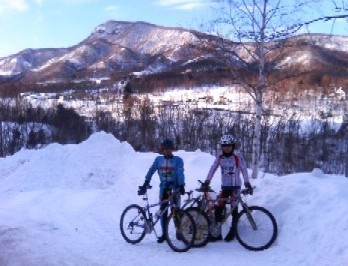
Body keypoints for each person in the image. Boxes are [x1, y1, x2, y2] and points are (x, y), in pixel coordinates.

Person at [201, 134, 253, 242]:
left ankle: (233, 231)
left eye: (229, 145)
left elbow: (243, 169)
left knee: (234, 210)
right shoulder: (220, 157)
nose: (227, 148)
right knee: (219, 208)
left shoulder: (237, 156)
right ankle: (217, 233)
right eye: (224, 146)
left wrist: (247, 182)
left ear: (232, 146)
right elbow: (212, 169)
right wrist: (207, 181)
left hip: (235, 188)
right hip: (225, 187)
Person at [138, 138, 186, 243]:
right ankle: (164, 234)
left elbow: (180, 173)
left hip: (175, 189)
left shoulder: (178, 160)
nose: (167, 151)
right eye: (165, 149)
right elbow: (151, 171)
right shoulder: (158, 160)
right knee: (163, 211)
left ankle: (180, 232)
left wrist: (182, 185)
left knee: (177, 211)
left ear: (172, 149)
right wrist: (146, 182)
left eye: (169, 149)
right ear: (163, 149)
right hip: (164, 188)